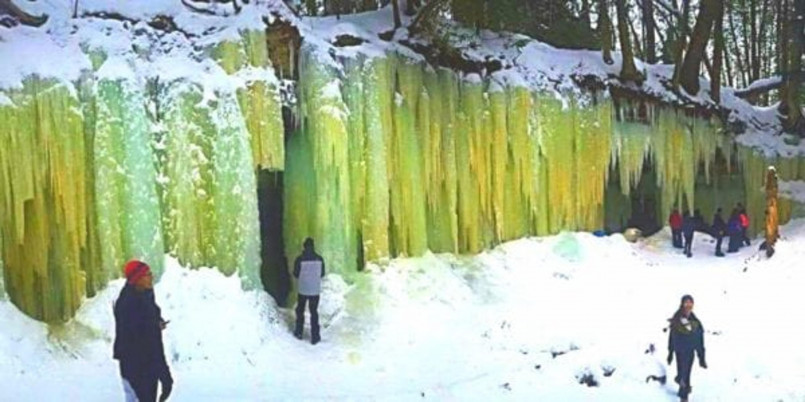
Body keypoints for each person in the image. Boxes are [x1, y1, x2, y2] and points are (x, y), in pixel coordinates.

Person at [114, 260, 173, 402]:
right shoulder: (130, 305)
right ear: (137, 279)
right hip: (137, 368)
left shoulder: (142, 294)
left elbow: (150, 321)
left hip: (138, 366)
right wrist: (164, 375)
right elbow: (149, 343)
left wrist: (156, 322)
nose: (151, 277)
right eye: (147, 274)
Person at [667, 295, 707, 402]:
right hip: (679, 352)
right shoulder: (676, 319)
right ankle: (681, 384)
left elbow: (699, 340)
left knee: (686, 373)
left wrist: (701, 357)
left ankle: (684, 395)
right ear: (682, 304)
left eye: (690, 303)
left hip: (689, 353)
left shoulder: (695, 322)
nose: (688, 305)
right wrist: (670, 352)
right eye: (686, 303)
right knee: (682, 373)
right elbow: (671, 337)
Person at [293, 238, 326, 345]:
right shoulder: (319, 259)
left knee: (300, 310)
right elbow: (322, 274)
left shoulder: (300, 259)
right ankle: (315, 337)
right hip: (315, 290)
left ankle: (299, 332)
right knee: (314, 312)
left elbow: (296, 273)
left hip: (303, 289)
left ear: (304, 246)